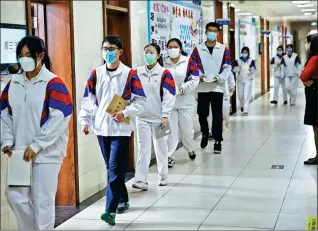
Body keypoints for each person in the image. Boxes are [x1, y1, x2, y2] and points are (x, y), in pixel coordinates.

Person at [0, 35, 72, 230]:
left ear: (40, 56)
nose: (24, 59)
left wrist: (37, 144)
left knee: (43, 204)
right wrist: (7, 140)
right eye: (20, 55)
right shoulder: (13, 83)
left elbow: (60, 118)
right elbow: (4, 113)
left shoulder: (53, 82)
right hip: (19, 152)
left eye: (28, 55)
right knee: (15, 196)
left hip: (46, 154)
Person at [78, 36, 146, 225]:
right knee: (111, 168)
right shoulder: (96, 73)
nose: (107, 52)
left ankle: (110, 210)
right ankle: (123, 199)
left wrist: (125, 111)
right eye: (104, 48)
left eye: (111, 49)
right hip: (101, 128)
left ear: (120, 52)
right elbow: (88, 100)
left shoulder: (129, 74)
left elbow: (141, 101)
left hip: (121, 129)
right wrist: (85, 121)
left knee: (115, 169)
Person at [132, 43, 176, 190]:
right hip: (142, 117)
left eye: (151, 53)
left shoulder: (165, 73)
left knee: (161, 148)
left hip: (160, 119)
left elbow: (169, 96)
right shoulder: (136, 72)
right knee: (143, 148)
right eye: (145, 52)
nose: (147, 55)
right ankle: (141, 179)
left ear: (158, 56)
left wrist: (165, 115)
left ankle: (163, 176)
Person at [190, 22, 232, 154]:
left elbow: (228, 67)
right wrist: (200, 76)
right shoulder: (198, 49)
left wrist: (219, 77)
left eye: (214, 31)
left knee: (217, 115)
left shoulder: (223, 49)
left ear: (218, 33)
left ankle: (218, 141)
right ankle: (204, 133)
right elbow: (192, 65)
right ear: (206, 32)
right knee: (202, 114)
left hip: (217, 87)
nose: (212, 33)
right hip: (202, 86)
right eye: (210, 30)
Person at [163, 38, 199, 168]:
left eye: (175, 46)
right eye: (170, 46)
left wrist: (183, 88)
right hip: (169, 104)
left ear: (180, 48)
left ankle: (190, 148)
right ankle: (169, 156)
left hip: (185, 102)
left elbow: (195, 79)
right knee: (170, 133)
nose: (173, 49)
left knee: (187, 131)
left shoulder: (189, 61)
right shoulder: (163, 63)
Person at [300, 33, 318, 165]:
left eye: (308, 43)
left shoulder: (314, 58)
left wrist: (306, 79)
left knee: (316, 125)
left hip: (314, 93)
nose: (307, 45)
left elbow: (304, 75)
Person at [233, 47, 256, 116]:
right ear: (241, 52)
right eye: (243, 52)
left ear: (248, 53)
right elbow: (234, 70)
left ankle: (245, 110)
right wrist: (238, 68)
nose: (244, 54)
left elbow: (254, 71)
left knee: (246, 94)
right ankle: (242, 105)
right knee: (240, 95)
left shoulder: (251, 61)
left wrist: (250, 69)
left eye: (246, 52)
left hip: (248, 79)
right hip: (240, 79)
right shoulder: (238, 61)